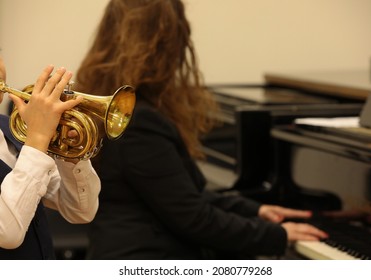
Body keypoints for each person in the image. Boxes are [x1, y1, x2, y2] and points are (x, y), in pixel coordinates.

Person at [75, 0, 327, 260]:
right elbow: (194, 218)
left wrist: (256, 211)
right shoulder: (137, 121)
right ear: (164, 44)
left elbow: (185, 196)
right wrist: (277, 235)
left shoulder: (117, 107)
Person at [0, 56, 101, 259]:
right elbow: (7, 233)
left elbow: (81, 211)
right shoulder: (31, 136)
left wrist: (70, 152)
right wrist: (38, 138)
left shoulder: (10, 128)